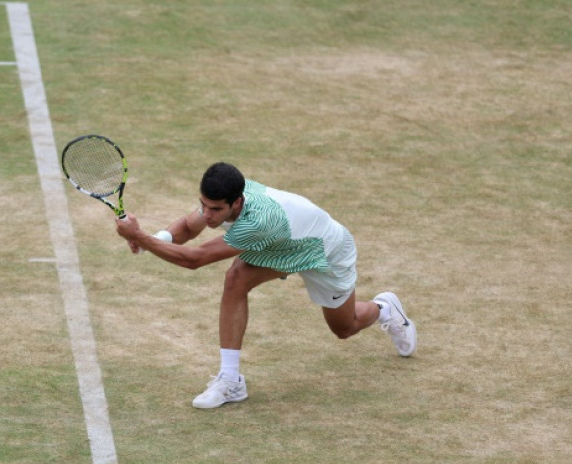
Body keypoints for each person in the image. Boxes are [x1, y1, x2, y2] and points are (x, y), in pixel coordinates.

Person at [115, 162, 417, 409]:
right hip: (281, 244)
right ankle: (230, 381)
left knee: (345, 328)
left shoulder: (259, 222)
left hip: (324, 249)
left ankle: (384, 309)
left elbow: (194, 259)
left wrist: (141, 238)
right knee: (236, 278)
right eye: (203, 206)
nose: (207, 215)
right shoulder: (223, 200)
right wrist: (154, 239)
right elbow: (185, 228)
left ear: (237, 202)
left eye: (216, 210)